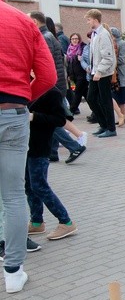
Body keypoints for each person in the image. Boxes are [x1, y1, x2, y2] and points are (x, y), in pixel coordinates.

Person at [0, 0, 57, 293]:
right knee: (12, 195)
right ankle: (13, 272)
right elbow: (48, 76)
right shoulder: (23, 22)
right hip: (13, 113)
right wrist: (24, 98)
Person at [29, 12, 87, 163]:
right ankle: (53, 152)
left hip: (49, 85)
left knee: (50, 119)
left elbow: (43, 63)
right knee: (54, 118)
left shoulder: (44, 37)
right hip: (54, 83)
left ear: (34, 22)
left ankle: (75, 145)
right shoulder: (49, 36)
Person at [26, 88, 78, 241]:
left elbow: (60, 120)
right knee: (29, 185)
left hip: (40, 146)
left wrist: (34, 116)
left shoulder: (51, 92)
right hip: (26, 145)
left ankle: (66, 221)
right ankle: (36, 222)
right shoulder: (26, 86)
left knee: (39, 185)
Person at [84, 9, 117, 138]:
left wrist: (99, 71)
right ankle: (103, 124)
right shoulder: (94, 34)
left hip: (102, 73)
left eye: (89, 19)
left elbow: (108, 57)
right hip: (95, 72)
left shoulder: (103, 34)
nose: (88, 22)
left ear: (95, 20)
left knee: (105, 100)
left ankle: (111, 128)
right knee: (91, 98)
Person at [110, 27, 125, 126]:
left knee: (121, 97)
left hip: (121, 75)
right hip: (114, 74)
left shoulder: (122, 44)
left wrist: (111, 62)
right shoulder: (111, 43)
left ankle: (123, 116)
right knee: (115, 97)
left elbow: (123, 59)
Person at [66, 33, 88, 116]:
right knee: (86, 94)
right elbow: (69, 64)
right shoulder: (69, 50)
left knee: (78, 93)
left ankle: (71, 111)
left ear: (79, 39)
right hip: (74, 76)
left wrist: (81, 59)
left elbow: (87, 59)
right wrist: (69, 75)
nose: (75, 40)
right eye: (73, 39)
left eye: (76, 39)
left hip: (82, 75)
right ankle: (96, 110)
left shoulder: (83, 48)